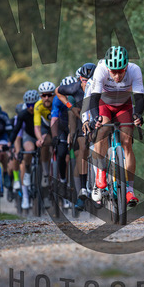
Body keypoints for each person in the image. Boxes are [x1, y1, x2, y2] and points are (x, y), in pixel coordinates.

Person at [88, 46, 144, 206]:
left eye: (121, 71)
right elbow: (94, 98)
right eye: (113, 72)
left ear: (126, 67)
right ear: (108, 68)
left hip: (124, 106)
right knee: (103, 130)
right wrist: (95, 118)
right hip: (104, 104)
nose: (117, 76)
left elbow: (139, 99)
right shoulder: (100, 69)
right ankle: (100, 172)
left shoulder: (134, 70)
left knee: (127, 143)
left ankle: (129, 190)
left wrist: (138, 115)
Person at [56, 63, 96, 211]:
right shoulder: (75, 88)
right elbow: (58, 92)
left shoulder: (100, 86)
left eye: (90, 80)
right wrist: (70, 107)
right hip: (81, 121)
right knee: (82, 149)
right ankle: (82, 190)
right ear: (80, 79)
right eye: (84, 80)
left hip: (97, 119)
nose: (87, 83)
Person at [10, 89, 40, 210]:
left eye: (33, 105)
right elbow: (17, 134)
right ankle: (25, 196)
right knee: (27, 153)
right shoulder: (22, 115)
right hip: (28, 137)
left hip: (40, 135)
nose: (31, 108)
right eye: (28, 105)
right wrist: (15, 148)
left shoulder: (41, 110)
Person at [51, 76, 78, 210]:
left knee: (79, 152)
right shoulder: (57, 99)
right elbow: (54, 118)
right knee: (61, 154)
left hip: (76, 125)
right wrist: (54, 136)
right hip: (62, 127)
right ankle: (63, 180)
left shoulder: (79, 95)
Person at [34, 81, 56, 192]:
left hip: (57, 125)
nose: (47, 98)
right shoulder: (38, 106)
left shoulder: (57, 102)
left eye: (49, 95)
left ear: (54, 95)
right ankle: (45, 173)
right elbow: (37, 127)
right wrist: (39, 139)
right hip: (45, 126)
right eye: (44, 95)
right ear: (40, 96)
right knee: (44, 142)